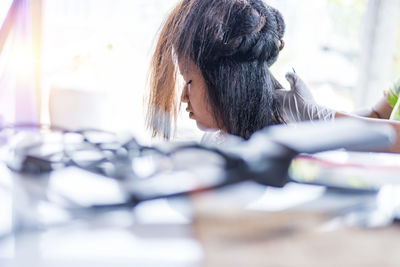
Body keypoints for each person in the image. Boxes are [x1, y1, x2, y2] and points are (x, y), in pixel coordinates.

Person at [146, 0, 289, 141]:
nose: (183, 97)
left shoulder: (284, 147)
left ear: (231, 79)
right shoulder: (214, 141)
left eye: (189, 81)